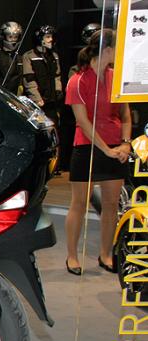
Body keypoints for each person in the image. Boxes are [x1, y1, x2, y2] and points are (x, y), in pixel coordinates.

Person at [64, 29, 131, 276]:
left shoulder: (117, 78)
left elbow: (125, 115)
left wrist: (125, 144)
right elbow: (83, 122)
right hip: (87, 147)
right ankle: (72, 256)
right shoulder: (78, 80)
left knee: (112, 204)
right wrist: (107, 150)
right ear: (108, 50)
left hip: (116, 147)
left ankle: (105, 254)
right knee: (79, 203)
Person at [22, 25, 63, 173]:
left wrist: (58, 90)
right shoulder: (29, 56)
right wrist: (36, 98)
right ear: (39, 38)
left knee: (54, 131)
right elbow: (29, 79)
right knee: (38, 133)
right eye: (47, 37)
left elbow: (57, 75)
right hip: (37, 102)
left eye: (51, 37)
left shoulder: (54, 55)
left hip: (52, 101)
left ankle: (55, 165)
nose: (50, 40)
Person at [0, 21, 24, 94]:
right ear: (3, 37)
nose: (13, 40)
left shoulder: (19, 56)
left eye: (15, 37)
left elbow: (20, 77)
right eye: (10, 37)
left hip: (14, 94)